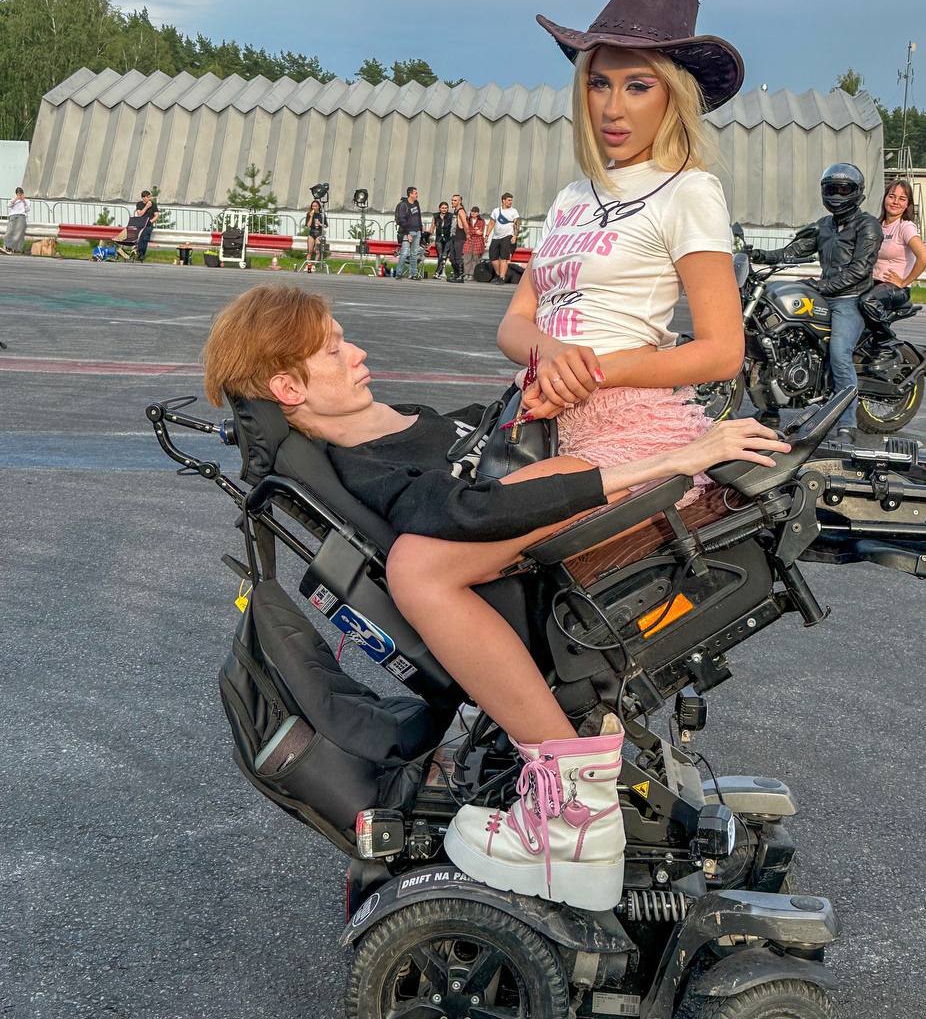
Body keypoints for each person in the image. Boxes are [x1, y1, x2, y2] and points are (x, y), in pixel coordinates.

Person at [203, 284, 790, 911]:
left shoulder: (405, 422)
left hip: (594, 514)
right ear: (289, 389)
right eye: (333, 350)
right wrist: (675, 459)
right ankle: (574, 798)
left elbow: (493, 461)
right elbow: (478, 510)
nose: (358, 353)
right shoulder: (368, 467)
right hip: (579, 564)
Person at [497, 0, 746, 488]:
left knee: (466, 530)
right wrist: (554, 356)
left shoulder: (687, 189)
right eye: (599, 84)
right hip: (540, 418)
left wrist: (588, 372)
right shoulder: (572, 196)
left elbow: (724, 351)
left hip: (628, 424)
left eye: (637, 86)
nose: (612, 108)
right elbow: (514, 322)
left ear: (673, 96)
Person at [753, 163, 883, 445]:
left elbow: (860, 269)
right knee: (779, 341)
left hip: (850, 300)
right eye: (832, 189)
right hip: (824, 295)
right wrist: (761, 255)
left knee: (839, 354)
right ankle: (771, 411)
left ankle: (847, 424)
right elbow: (793, 251)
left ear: (856, 192)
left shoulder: (868, 225)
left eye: (844, 190)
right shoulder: (824, 225)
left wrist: (822, 286)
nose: (837, 195)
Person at [859, 178, 926, 343]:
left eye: (902, 199)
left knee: (867, 301)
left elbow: (925, 257)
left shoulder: (905, 227)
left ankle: (886, 341)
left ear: (907, 205)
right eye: (892, 196)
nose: (895, 202)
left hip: (895, 289)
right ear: (885, 198)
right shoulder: (876, 225)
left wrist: (904, 282)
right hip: (873, 283)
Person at [485, 191, 521, 283]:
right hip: (496, 237)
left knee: (504, 258)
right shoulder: (496, 211)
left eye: (511, 200)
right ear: (503, 200)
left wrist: (515, 236)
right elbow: (491, 223)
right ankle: (498, 275)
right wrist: (487, 235)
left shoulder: (513, 211)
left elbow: (517, 224)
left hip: (507, 236)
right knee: (493, 258)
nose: (510, 202)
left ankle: (502, 277)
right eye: (508, 200)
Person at [394, 186, 422, 279]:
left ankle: (414, 274)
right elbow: (402, 220)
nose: (417, 195)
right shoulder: (404, 205)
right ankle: (399, 273)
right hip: (408, 232)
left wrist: (420, 228)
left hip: (417, 231)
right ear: (410, 194)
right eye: (415, 193)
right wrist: (407, 233)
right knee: (404, 253)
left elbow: (418, 216)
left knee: (414, 254)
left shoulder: (416, 203)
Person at [430, 200, 454, 280]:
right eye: (442, 208)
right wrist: (429, 236)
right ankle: (439, 273)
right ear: (439, 208)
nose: (444, 209)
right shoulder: (435, 216)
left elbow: (453, 227)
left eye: (446, 208)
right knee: (440, 255)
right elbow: (432, 227)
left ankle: (438, 273)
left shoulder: (451, 216)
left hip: (448, 238)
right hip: (439, 238)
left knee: (444, 256)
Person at [132, 189, 158, 262]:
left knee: (145, 237)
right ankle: (140, 253)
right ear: (143, 197)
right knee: (141, 236)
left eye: (149, 197)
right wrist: (146, 207)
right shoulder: (139, 204)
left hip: (149, 223)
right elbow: (139, 214)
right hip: (141, 223)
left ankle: (142, 254)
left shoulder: (153, 204)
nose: (149, 198)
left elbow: (156, 215)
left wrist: (150, 221)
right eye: (148, 197)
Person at [3, 187, 29, 253]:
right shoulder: (14, 200)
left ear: (23, 194)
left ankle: (17, 248)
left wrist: (23, 201)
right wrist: (16, 199)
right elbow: (9, 205)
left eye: (21, 194)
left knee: (19, 232)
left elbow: (27, 209)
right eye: (18, 194)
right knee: (9, 231)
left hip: (21, 216)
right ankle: (7, 246)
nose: (20, 195)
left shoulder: (27, 201)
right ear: (16, 194)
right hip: (13, 216)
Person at [463, 206, 486, 281]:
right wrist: (475, 231)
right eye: (472, 211)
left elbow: (481, 232)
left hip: (478, 241)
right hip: (468, 240)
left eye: (475, 212)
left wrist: (471, 231)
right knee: (467, 257)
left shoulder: (481, 221)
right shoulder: (467, 220)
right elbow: (466, 230)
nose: (473, 213)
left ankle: (472, 274)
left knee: (475, 259)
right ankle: (466, 273)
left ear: (478, 213)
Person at [449, 193, 468, 282]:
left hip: (459, 237)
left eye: (455, 200)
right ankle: (456, 274)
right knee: (452, 258)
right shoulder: (455, 211)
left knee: (458, 257)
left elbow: (465, 224)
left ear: (459, 201)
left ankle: (461, 276)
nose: (452, 202)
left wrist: (468, 234)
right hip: (453, 236)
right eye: (452, 200)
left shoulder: (461, 211)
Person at [304, 200, 327, 268]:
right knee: (310, 251)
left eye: (315, 206)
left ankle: (314, 265)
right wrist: (311, 216)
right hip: (312, 232)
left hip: (319, 233)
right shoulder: (309, 214)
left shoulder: (322, 215)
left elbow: (325, 226)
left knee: (317, 251)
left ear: (318, 207)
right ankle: (308, 266)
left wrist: (320, 224)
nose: (314, 207)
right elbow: (308, 225)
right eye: (313, 206)